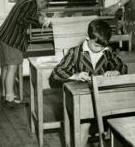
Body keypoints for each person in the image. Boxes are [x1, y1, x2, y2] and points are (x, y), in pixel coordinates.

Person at [49, 19, 127, 147]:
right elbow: (56, 73)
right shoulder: (75, 52)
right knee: (84, 124)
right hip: (83, 97)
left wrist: (115, 72)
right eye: (97, 46)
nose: (100, 49)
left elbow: (122, 66)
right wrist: (75, 76)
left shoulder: (107, 51)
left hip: (103, 97)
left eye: (103, 46)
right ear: (87, 38)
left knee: (120, 119)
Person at [0, 0, 53, 108]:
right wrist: (39, 21)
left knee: (7, 67)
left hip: (5, 36)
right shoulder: (31, 5)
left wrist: (38, 14)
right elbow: (22, 19)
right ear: (41, 1)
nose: (44, 8)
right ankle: (9, 99)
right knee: (12, 67)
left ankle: (6, 95)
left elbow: (25, 14)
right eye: (45, 5)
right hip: (11, 40)